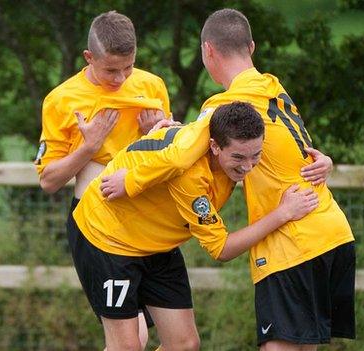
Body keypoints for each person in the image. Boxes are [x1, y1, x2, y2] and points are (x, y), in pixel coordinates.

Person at [100, 9, 355, 351]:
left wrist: (130, 180)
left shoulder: (226, 104)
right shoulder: (273, 87)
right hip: (332, 230)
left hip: (294, 241)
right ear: (251, 47)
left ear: (207, 51)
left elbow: (180, 156)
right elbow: (295, 149)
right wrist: (327, 161)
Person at [70, 101, 319, 351]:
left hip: (158, 245)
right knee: (127, 347)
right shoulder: (190, 176)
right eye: (238, 157)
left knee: (185, 345)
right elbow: (221, 249)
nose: (248, 166)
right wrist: (283, 213)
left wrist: (324, 164)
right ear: (214, 146)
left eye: (256, 155)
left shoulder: (218, 133)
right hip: (108, 239)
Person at [33, 10, 171, 349]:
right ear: (89, 57)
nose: (121, 78)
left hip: (147, 221)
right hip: (96, 223)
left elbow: (169, 156)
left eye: (129, 67)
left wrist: (152, 134)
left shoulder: (151, 86)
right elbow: (48, 181)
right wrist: (88, 147)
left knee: (179, 339)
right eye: (111, 69)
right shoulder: (62, 100)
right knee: (131, 339)